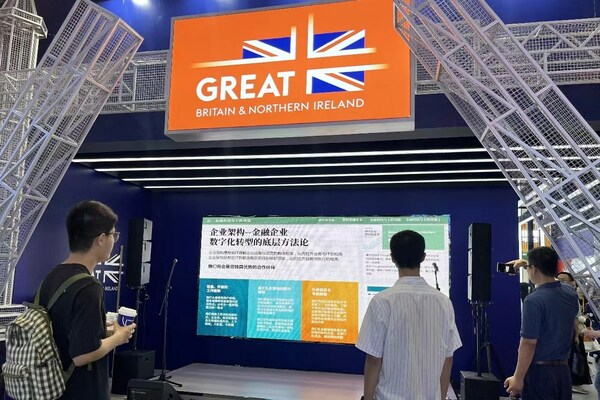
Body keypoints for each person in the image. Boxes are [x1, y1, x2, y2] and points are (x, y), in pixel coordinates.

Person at [37, 200, 136, 399]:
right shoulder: (89, 287)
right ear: (101, 239)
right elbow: (82, 355)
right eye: (113, 234)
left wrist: (106, 331)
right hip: (79, 390)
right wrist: (118, 337)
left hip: (52, 389)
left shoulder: (52, 276)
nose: (114, 240)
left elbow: (64, 331)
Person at [356, 230, 462, 400]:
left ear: (392, 258)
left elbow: (373, 360)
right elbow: (447, 359)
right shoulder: (444, 302)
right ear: (423, 257)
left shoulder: (381, 301)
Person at [504, 247, 579, 399]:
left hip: (540, 375)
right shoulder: (570, 293)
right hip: (563, 373)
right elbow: (552, 285)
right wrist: (527, 264)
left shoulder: (533, 300)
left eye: (529, 267)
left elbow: (528, 343)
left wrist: (518, 378)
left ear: (534, 269)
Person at [556, 271, 592, 392]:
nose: (559, 282)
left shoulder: (572, 296)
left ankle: (570, 383)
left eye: (563, 280)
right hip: (555, 334)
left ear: (572, 282)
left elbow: (575, 318)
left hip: (568, 334)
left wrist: (576, 335)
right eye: (558, 279)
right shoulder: (551, 295)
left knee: (570, 359)